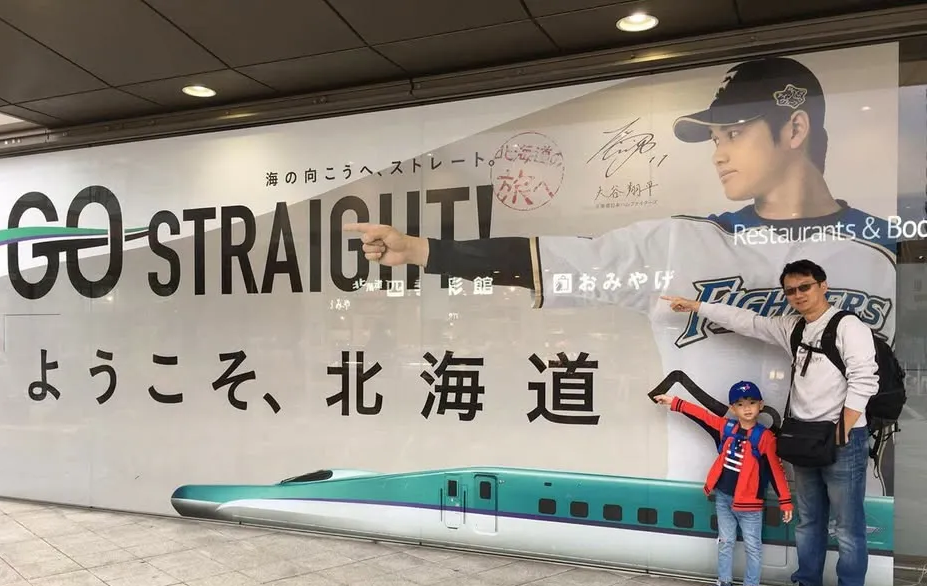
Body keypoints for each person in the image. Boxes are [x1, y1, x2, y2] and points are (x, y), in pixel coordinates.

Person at [344, 54, 896, 492]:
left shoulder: (884, 249)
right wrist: (423, 251)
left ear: (794, 128)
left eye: (734, 133)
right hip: (700, 498)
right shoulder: (678, 243)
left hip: (845, 482)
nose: (718, 153)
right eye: (715, 139)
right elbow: (550, 259)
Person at [662, 258, 878, 586]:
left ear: (823, 286)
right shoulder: (792, 327)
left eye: (805, 287)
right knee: (809, 521)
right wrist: (697, 306)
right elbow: (747, 321)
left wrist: (843, 429)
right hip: (804, 438)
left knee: (847, 526)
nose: (798, 295)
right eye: (791, 291)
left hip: (842, 437)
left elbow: (865, 379)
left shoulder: (848, 326)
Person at [654, 381, 794, 586]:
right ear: (732, 408)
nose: (747, 408)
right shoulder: (726, 428)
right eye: (740, 404)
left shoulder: (765, 437)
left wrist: (785, 501)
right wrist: (675, 402)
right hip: (723, 498)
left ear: (761, 405)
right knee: (725, 542)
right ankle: (724, 584)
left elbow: (776, 470)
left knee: (753, 546)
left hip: (750, 504)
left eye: (752, 403)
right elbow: (702, 415)